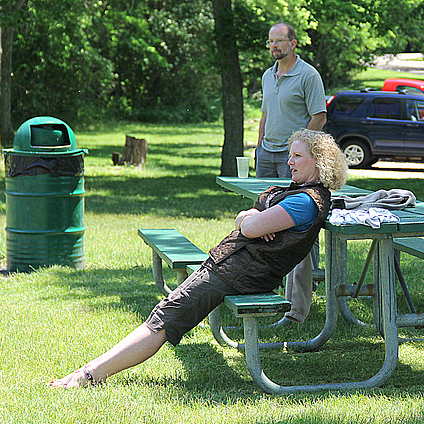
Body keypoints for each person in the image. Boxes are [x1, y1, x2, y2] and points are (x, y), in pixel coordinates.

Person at [50, 130, 348, 389]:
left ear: (319, 163)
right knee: (163, 314)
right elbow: (248, 217)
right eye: (290, 155)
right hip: (234, 266)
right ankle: (90, 371)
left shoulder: (305, 200)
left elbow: (247, 224)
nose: (289, 161)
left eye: (297, 156)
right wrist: (252, 217)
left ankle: (89, 375)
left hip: (239, 272)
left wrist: (251, 220)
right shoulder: (301, 193)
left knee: (164, 319)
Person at [257, 22, 327, 324]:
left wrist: (300, 152)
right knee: (265, 218)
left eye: (279, 41)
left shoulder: (308, 75)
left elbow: (319, 116)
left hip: (295, 161)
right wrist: (258, 145)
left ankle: (305, 286)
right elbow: (265, 114)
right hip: (266, 155)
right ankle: (267, 279)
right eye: (271, 42)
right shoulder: (267, 75)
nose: (274, 46)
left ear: (293, 43)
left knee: (300, 221)